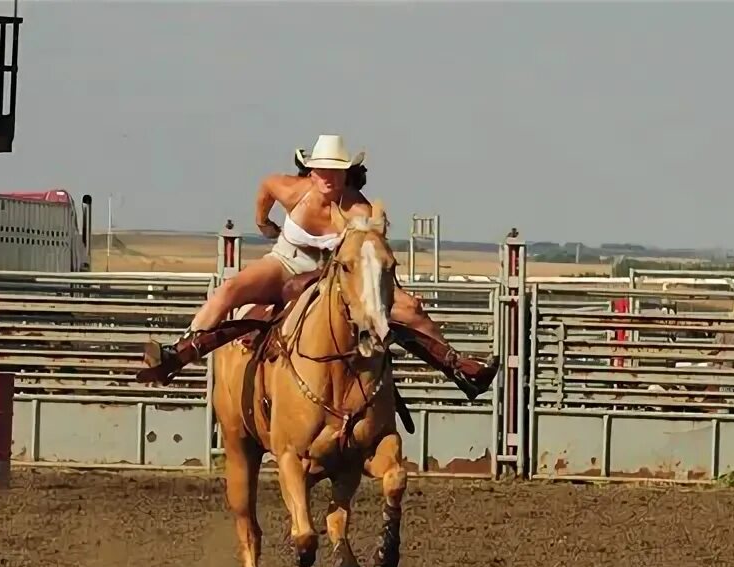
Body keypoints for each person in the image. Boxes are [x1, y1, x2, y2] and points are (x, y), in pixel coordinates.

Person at [139, 134, 498, 399]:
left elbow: (371, 255)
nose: (327, 176)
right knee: (228, 291)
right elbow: (265, 188)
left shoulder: (358, 211)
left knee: (409, 310)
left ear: (347, 174)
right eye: (321, 170)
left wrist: (396, 288)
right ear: (310, 171)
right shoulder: (292, 190)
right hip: (284, 261)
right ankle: (178, 353)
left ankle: (459, 368)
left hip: (332, 274)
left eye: (336, 171)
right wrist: (263, 223)